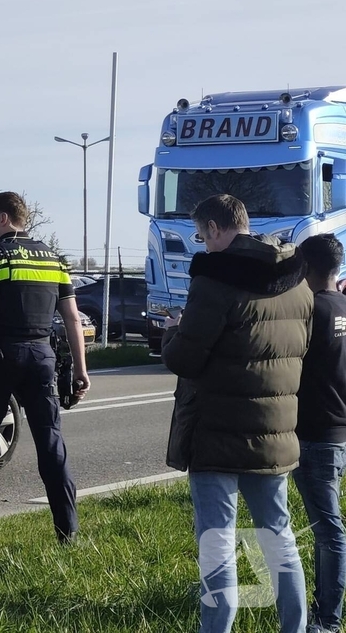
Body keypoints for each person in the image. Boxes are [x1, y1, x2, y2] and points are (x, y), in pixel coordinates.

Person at [161, 194, 312, 633]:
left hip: (217, 433)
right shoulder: (296, 280)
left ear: (214, 228)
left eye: (201, 235)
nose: (203, 245)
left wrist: (172, 333)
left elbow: (186, 359)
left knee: (217, 542)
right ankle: (295, 626)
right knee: (278, 535)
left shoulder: (215, 280)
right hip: (276, 432)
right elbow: (304, 348)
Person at [0, 191, 89, 548]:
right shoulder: (54, 259)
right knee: (50, 443)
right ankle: (68, 531)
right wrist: (80, 369)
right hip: (42, 356)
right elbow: (72, 317)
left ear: (4, 218)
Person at [293, 233, 346, 633]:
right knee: (324, 527)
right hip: (339, 433)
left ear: (305, 267)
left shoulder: (309, 311)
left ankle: (327, 619)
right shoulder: (344, 306)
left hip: (314, 435)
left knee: (328, 529)